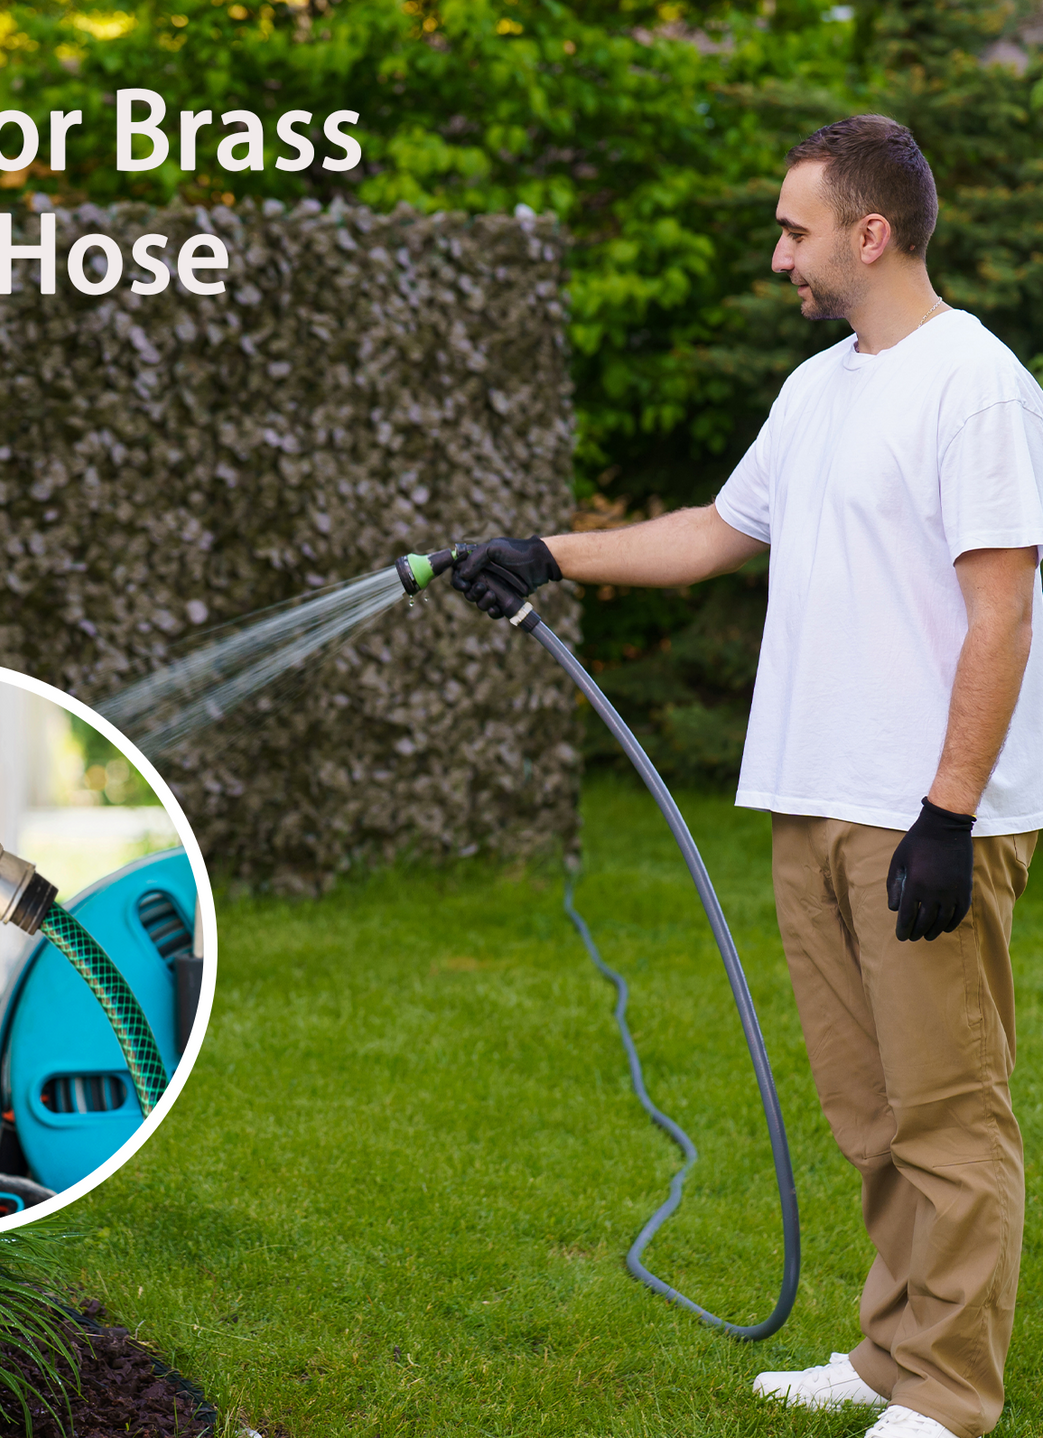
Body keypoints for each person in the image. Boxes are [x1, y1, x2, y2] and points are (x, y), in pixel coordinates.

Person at [452, 115, 1043, 1438]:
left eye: (796, 229)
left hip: (919, 812)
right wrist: (547, 551)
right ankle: (893, 1353)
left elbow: (1001, 612)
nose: (781, 254)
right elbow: (716, 531)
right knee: (871, 1112)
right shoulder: (822, 387)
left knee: (948, 1115)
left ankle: (950, 1398)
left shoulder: (976, 385)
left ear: (869, 233)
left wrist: (947, 816)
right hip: (814, 799)